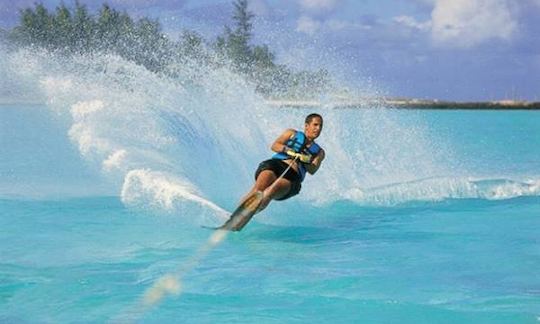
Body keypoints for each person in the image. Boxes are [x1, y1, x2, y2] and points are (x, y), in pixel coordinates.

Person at [241, 113, 326, 214]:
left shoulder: (319, 152)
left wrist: (305, 160)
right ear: (306, 125)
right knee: (258, 189)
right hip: (276, 165)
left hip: (293, 177)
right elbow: (274, 146)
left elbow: (313, 170)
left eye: (321, 126)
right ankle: (239, 212)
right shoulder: (291, 133)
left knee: (271, 190)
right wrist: (287, 150)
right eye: (315, 125)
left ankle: (249, 214)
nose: (318, 128)